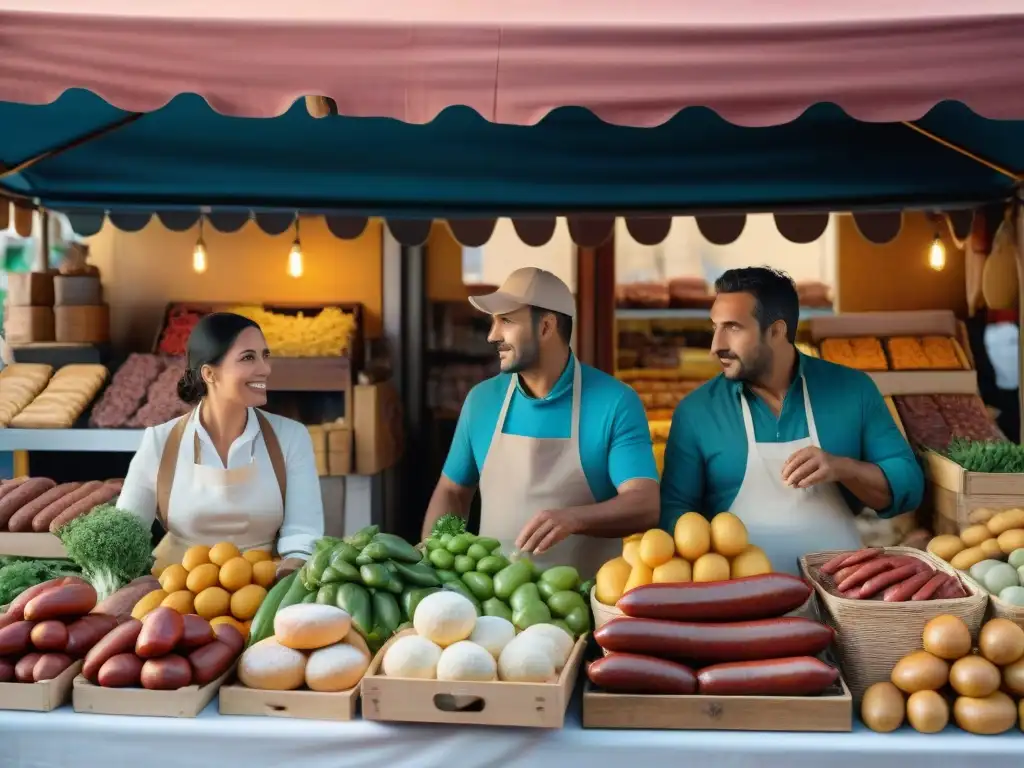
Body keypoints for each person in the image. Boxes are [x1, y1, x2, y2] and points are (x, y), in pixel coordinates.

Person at [660, 267, 924, 575]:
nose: (716, 345)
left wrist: (843, 468)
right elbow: (673, 514)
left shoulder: (853, 390)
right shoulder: (697, 412)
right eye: (715, 327)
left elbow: (908, 484)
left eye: (732, 328)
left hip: (840, 593)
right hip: (734, 601)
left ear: (776, 331)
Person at [422, 267, 660, 576]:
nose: (493, 335)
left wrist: (575, 519)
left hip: (583, 608)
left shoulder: (615, 402)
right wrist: (435, 562)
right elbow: (453, 491)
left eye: (506, 320)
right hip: (492, 608)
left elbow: (644, 504)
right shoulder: (482, 401)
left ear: (546, 326)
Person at [118, 312, 324, 578]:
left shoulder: (291, 437)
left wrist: (289, 577)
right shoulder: (160, 441)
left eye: (265, 356)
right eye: (248, 357)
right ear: (209, 374)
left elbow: (303, 534)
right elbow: (127, 531)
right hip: (174, 592)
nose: (265, 369)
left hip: (262, 588)